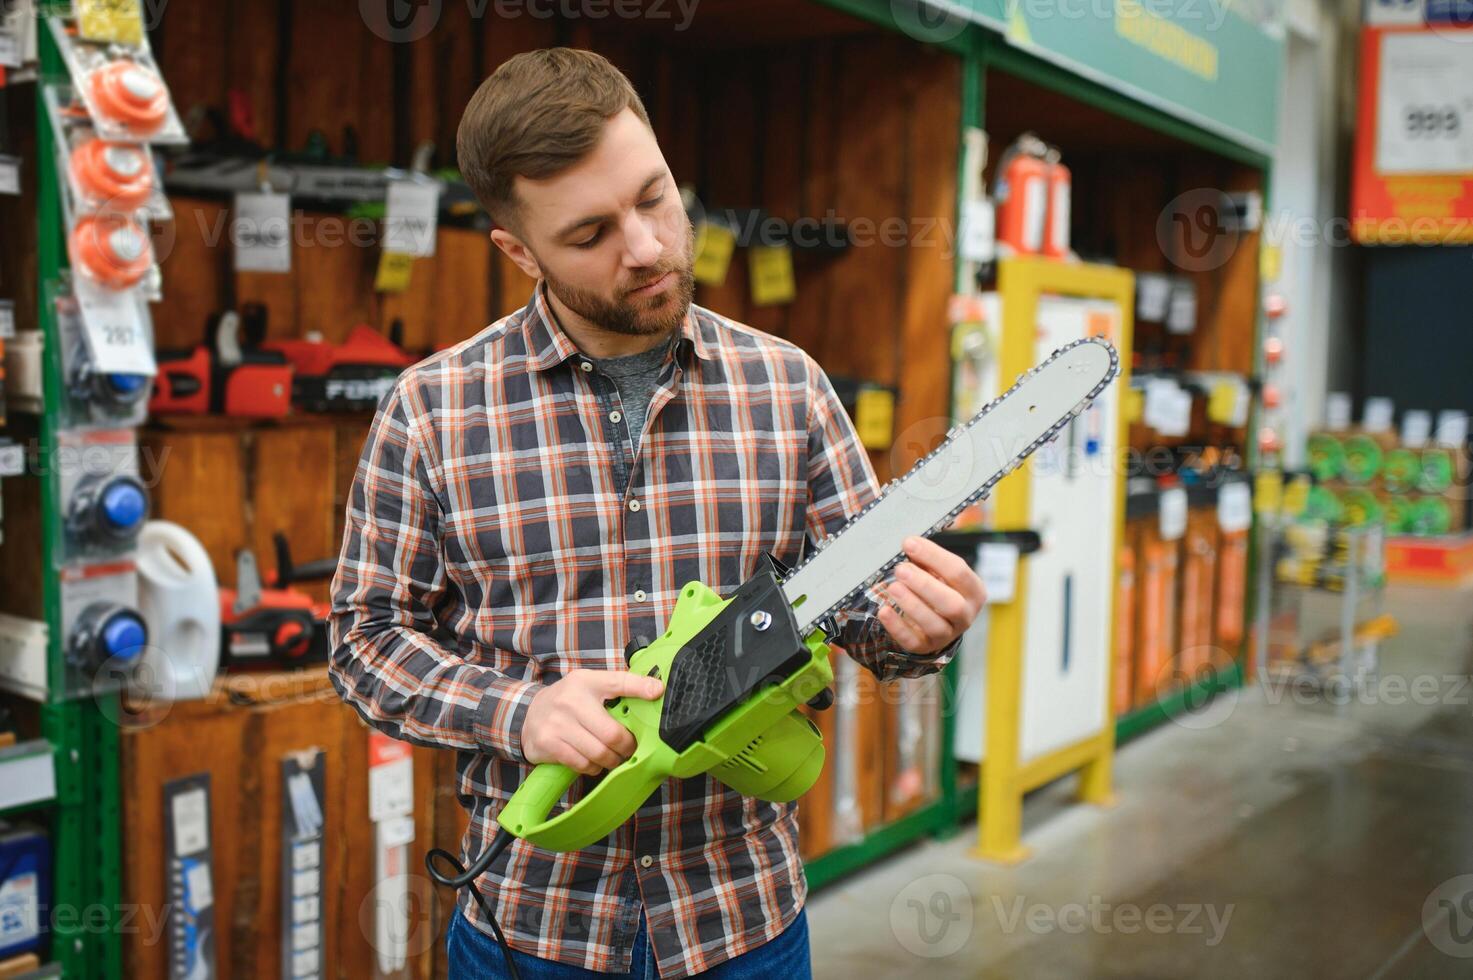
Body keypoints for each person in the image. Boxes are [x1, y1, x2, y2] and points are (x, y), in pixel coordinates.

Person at [328, 47, 985, 979]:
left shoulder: (787, 384)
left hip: (740, 920)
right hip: (534, 929)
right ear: (519, 250)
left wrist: (922, 630)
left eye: (654, 197)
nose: (643, 246)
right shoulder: (432, 409)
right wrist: (519, 712)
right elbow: (364, 643)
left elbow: (864, 609)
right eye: (590, 232)